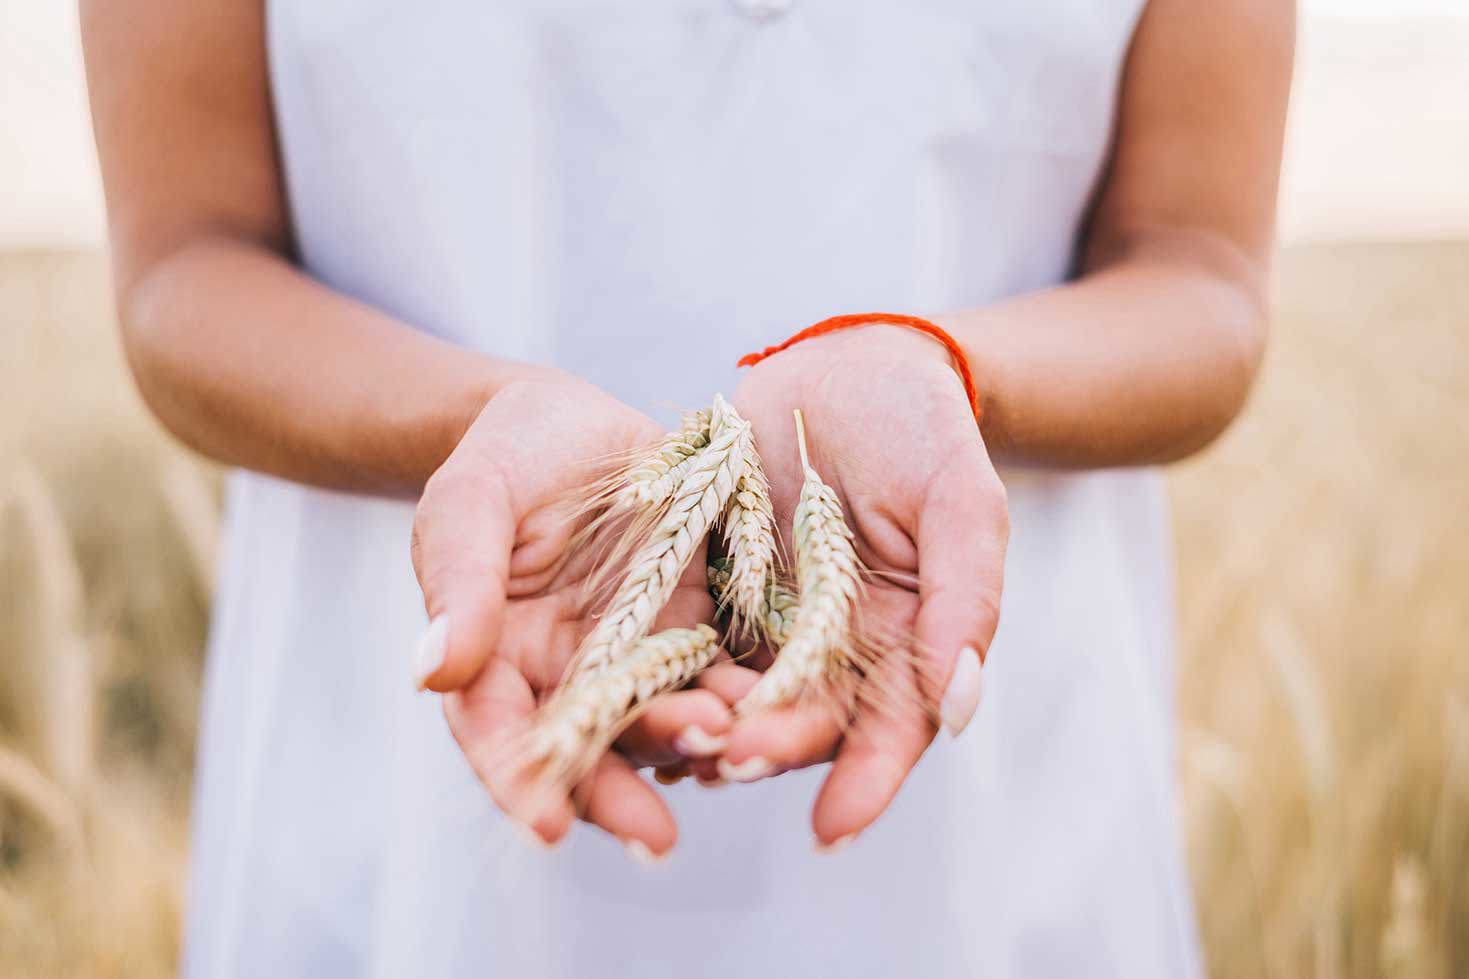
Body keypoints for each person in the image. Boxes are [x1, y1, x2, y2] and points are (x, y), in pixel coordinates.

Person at [81, 0, 1293, 975]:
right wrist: (476, 427)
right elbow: (185, 263)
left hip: (990, 808)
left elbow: (1199, 271)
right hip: (402, 806)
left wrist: (943, 369)